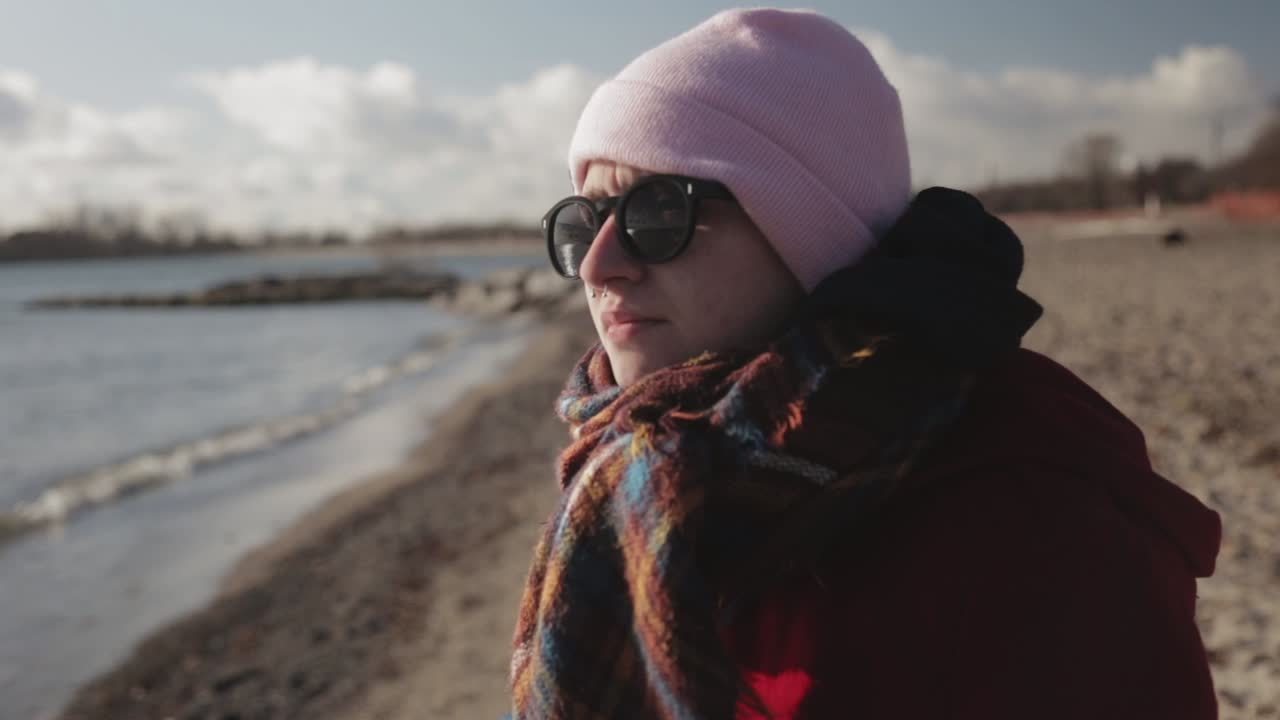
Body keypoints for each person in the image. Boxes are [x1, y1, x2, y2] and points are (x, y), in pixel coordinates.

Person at [509, 8, 1221, 719]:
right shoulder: (643, 468)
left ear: (807, 227)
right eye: (583, 223)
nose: (599, 266)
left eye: (656, 214)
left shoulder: (1038, 529)